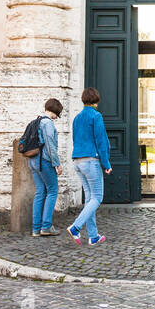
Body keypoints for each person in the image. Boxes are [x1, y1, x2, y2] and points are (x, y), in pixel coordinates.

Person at [68, 87, 112, 246]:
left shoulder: (77, 118)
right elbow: (101, 141)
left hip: (77, 160)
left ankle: (93, 236)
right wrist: (106, 163)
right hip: (91, 161)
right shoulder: (96, 116)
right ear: (96, 100)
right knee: (97, 197)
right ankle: (76, 227)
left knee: (90, 199)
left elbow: (75, 139)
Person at [20, 98, 63, 236]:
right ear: (55, 111)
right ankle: (46, 227)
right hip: (44, 161)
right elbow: (50, 146)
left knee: (40, 192)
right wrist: (57, 164)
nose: (56, 117)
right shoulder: (47, 123)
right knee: (52, 190)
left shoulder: (35, 121)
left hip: (32, 161)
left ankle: (35, 229)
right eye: (57, 114)